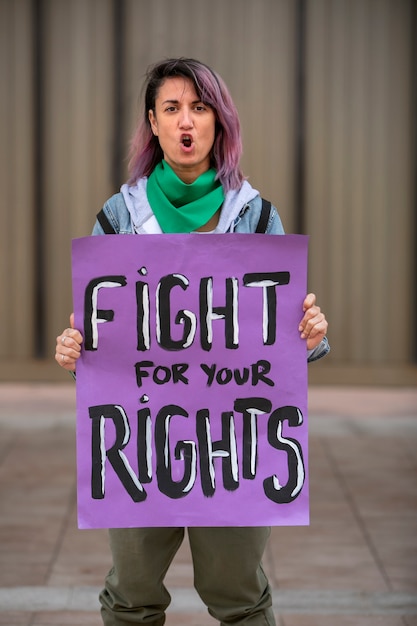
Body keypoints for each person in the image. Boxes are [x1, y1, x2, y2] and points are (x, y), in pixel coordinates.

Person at [55, 57, 329, 626]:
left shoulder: (255, 217)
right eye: (173, 108)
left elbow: (281, 342)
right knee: (130, 596)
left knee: (239, 597)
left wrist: (309, 334)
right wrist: (75, 348)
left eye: (200, 108)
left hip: (233, 446)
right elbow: (100, 335)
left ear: (218, 123)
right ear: (152, 123)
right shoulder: (117, 218)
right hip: (141, 446)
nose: (187, 121)